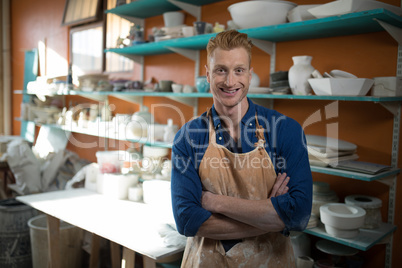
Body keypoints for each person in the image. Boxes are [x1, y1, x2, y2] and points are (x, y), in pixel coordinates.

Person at [171, 29, 312, 267]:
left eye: (239, 70)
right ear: (207, 74)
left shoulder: (286, 131)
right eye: (220, 70)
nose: (230, 81)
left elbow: (298, 215)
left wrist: (215, 203)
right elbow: (187, 221)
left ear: (249, 74)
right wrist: (273, 217)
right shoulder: (188, 137)